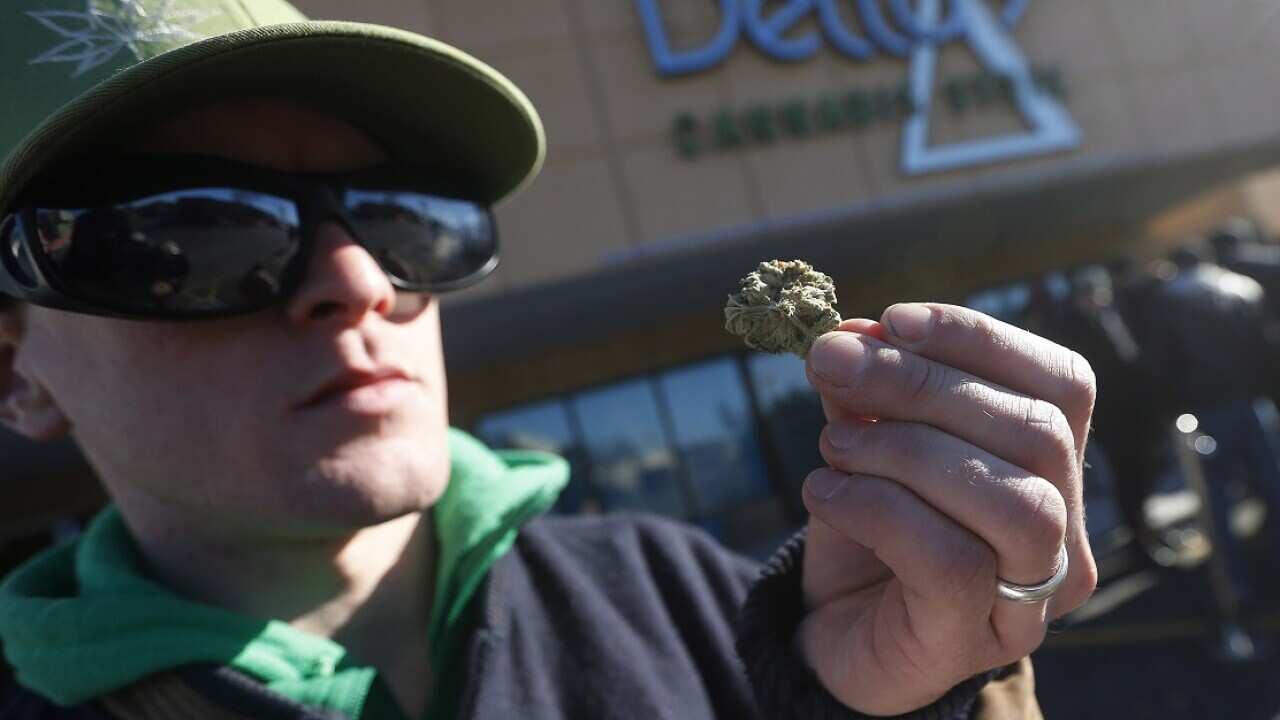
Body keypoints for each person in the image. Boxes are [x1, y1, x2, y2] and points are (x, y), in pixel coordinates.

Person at [0, 1, 1097, 718]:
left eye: (402, 216)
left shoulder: (695, 603)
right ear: (15, 369)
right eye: (193, 235)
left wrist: (918, 697)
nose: (357, 278)